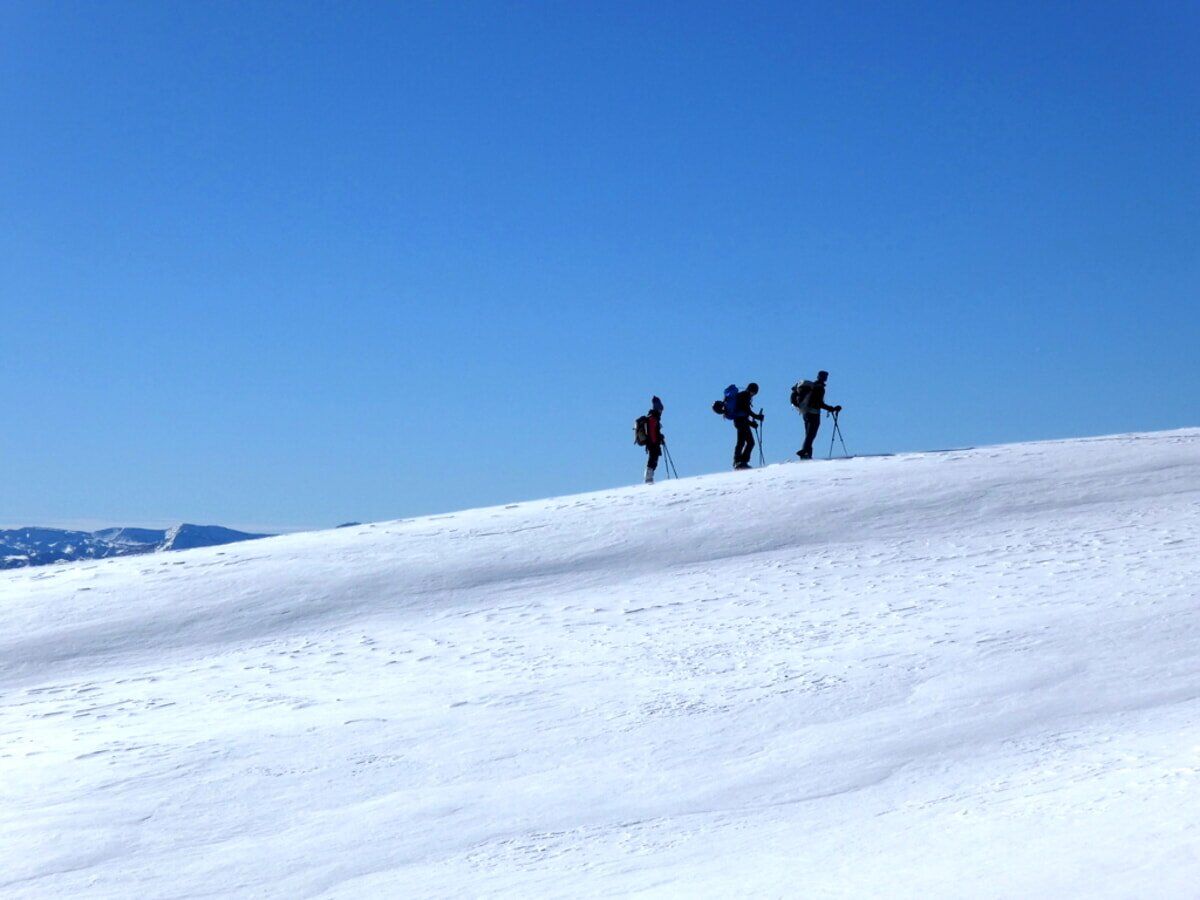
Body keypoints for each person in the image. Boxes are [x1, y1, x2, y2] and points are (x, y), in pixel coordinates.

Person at [793, 370, 842, 459]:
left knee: (808, 435)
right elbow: (819, 403)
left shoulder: (812, 386)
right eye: (825, 376)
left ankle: (807, 454)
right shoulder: (819, 388)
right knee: (811, 435)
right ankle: (804, 452)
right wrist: (831, 408)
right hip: (814, 414)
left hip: (805, 413)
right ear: (824, 378)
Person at [730, 382, 765, 470]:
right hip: (741, 421)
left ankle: (742, 462)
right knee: (742, 442)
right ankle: (738, 462)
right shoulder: (745, 395)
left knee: (749, 442)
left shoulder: (743, 395)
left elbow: (744, 412)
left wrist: (752, 423)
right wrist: (757, 417)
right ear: (753, 391)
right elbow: (747, 410)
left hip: (741, 421)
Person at [642, 396, 665, 483]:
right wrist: (657, 440)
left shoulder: (653, 417)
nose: (661, 412)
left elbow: (655, 432)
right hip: (653, 443)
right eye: (660, 410)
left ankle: (649, 478)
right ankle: (648, 478)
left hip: (652, 443)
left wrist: (660, 437)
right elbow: (652, 433)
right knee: (652, 460)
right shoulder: (653, 418)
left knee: (653, 460)